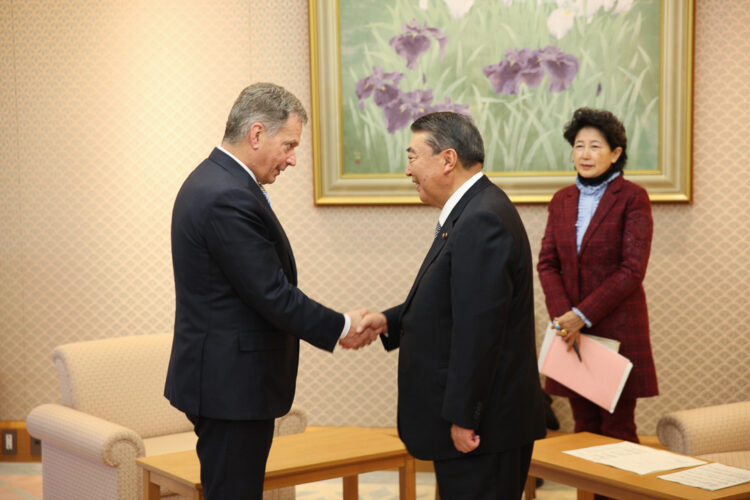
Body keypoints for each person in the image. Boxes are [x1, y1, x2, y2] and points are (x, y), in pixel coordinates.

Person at [164, 82, 371, 500]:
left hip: (228, 383)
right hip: (230, 388)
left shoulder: (218, 182)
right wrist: (342, 326)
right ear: (256, 134)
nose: (293, 159)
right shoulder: (224, 195)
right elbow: (272, 295)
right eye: (289, 144)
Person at [357, 112, 547, 499]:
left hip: (482, 429)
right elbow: (454, 300)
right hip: (481, 425)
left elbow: (479, 331)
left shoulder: (481, 219)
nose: (408, 170)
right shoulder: (473, 210)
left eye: (413, 157)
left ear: (447, 160)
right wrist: (389, 320)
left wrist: (464, 417)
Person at [537, 107, 658, 445]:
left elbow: (632, 269)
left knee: (618, 432)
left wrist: (580, 316)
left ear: (616, 153)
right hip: (570, 334)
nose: (585, 154)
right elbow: (547, 263)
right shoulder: (561, 200)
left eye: (595, 146)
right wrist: (565, 318)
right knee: (584, 431)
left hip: (617, 330)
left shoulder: (633, 197)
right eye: (579, 145)